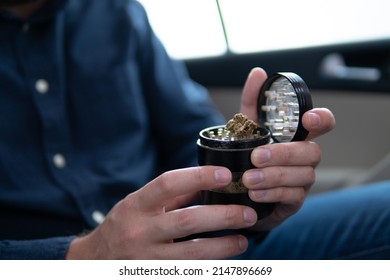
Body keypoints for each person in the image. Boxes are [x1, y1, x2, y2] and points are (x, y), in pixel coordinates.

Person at [0, 0, 388, 260]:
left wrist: (248, 191)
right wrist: (80, 256)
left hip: (204, 247)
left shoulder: (117, 12)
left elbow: (188, 130)